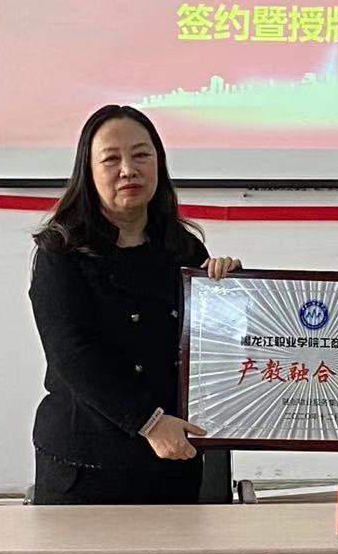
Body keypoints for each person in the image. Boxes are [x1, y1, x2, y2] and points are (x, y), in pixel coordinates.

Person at [28, 104, 240, 505]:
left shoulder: (185, 249)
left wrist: (230, 290)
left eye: (142, 154)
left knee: (175, 550)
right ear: (88, 172)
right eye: (111, 159)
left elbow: (211, 348)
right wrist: (149, 423)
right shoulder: (61, 252)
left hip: (173, 460)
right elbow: (72, 354)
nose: (129, 169)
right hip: (85, 465)